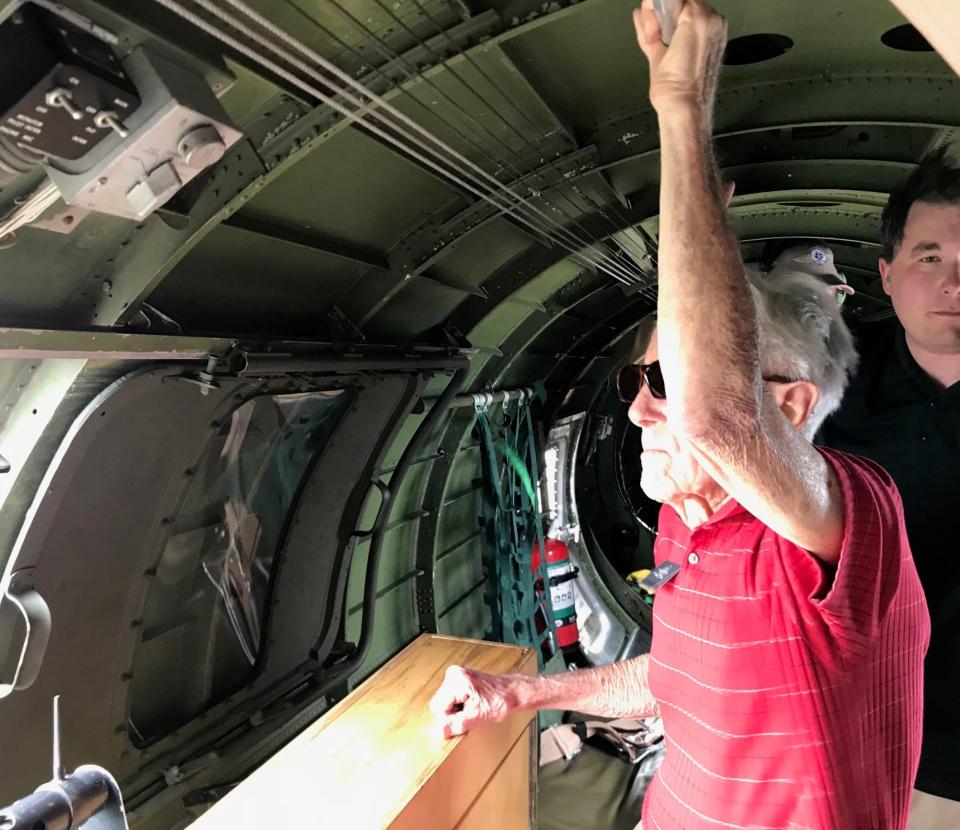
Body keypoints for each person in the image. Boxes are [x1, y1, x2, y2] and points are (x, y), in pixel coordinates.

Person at [430, 2, 930, 828]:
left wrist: (682, 113)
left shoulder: (856, 515)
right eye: (636, 378)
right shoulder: (683, 527)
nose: (635, 410)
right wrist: (521, 692)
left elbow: (720, 421)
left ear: (789, 404)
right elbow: (673, 676)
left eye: (665, 379)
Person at [817, 151, 960, 828]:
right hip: (850, 715)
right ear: (887, 273)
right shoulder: (829, 382)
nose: (954, 282)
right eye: (929, 256)